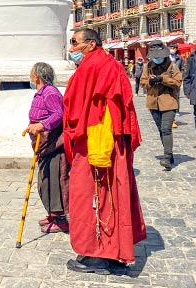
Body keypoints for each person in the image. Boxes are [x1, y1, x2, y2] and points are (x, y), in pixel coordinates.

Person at [63, 28, 146, 275]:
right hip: (113, 143)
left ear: (90, 44)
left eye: (75, 42)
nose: (71, 48)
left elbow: (75, 110)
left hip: (96, 143)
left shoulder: (92, 67)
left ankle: (96, 255)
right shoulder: (111, 65)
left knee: (89, 195)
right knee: (114, 195)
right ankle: (115, 251)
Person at [26, 62, 69, 233]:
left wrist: (42, 125)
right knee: (45, 181)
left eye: (31, 72)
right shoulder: (41, 92)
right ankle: (52, 213)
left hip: (53, 143)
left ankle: (60, 219)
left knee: (54, 180)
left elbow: (58, 114)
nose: (29, 75)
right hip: (42, 143)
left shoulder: (50, 93)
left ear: (37, 75)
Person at [140, 40, 182, 171]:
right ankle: (169, 153)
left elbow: (178, 82)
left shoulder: (172, 66)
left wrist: (163, 79)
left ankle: (167, 157)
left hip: (169, 101)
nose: (157, 59)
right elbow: (142, 82)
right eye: (154, 56)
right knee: (160, 129)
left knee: (166, 129)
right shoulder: (148, 66)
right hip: (153, 102)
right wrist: (150, 81)